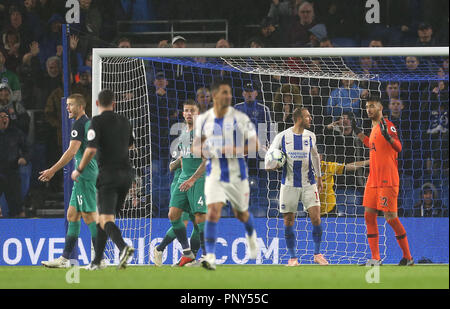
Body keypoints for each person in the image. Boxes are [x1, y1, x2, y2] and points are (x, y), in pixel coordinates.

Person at [193, 80, 260, 270]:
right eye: (224, 92)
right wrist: (206, 151)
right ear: (215, 96)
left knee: (241, 213)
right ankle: (211, 256)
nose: (228, 96)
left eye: (229, 93)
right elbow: (195, 147)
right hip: (214, 173)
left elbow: (255, 145)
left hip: (236, 174)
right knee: (213, 211)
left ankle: (251, 235)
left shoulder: (240, 118)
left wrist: (235, 149)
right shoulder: (204, 119)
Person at [71, 89, 135, 270]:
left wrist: (79, 170)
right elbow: (130, 144)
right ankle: (97, 261)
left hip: (109, 175)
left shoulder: (96, 122)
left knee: (106, 219)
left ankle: (123, 248)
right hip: (127, 176)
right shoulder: (125, 121)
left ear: (97, 104)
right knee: (103, 219)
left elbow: (90, 150)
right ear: (114, 104)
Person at [352, 96, 414, 266]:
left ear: (380, 108)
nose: (368, 109)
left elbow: (398, 147)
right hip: (373, 180)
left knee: (391, 218)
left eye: (372, 106)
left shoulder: (387, 125)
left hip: (388, 179)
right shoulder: (373, 128)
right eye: (366, 107)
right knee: (369, 216)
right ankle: (375, 258)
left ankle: (408, 257)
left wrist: (389, 137)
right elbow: (372, 145)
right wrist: (358, 133)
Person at [40, 94, 99, 268]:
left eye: (70, 105)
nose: (67, 108)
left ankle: (99, 259)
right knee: (72, 215)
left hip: (85, 175)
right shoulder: (89, 123)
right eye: (67, 105)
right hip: (86, 174)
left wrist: (52, 170)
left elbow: (72, 152)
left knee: (88, 216)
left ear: (80, 107)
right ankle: (65, 259)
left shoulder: (79, 124)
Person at [265, 107, 327, 266]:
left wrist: (319, 177)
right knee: (288, 221)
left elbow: (314, 156)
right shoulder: (282, 136)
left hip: (309, 183)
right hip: (289, 184)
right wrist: (270, 165)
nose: (310, 119)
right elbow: (270, 155)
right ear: (299, 118)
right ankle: (293, 258)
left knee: (316, 218)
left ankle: (317, 254)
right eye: (307, 116)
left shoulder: (311, 136)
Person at [156, 100, 207, 267]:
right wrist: (177, 164)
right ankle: (187, 252)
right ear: (183, 113)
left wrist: (192, 179)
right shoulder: (184, 133)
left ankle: (205, 256)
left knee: (199, 218)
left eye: (192, 110)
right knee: (173, 215)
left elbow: (207, 160)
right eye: (186, 111)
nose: (189, 113)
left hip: (198, 180)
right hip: (183, 179)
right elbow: (186, 157)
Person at [0, 108, 29, 218]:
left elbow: (27, 149)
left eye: (5, 117)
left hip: (12, 170)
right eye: (1, 117)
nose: (3, 119)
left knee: (16, 203)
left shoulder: (16, 133)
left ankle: (20, 225)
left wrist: (24, 158)